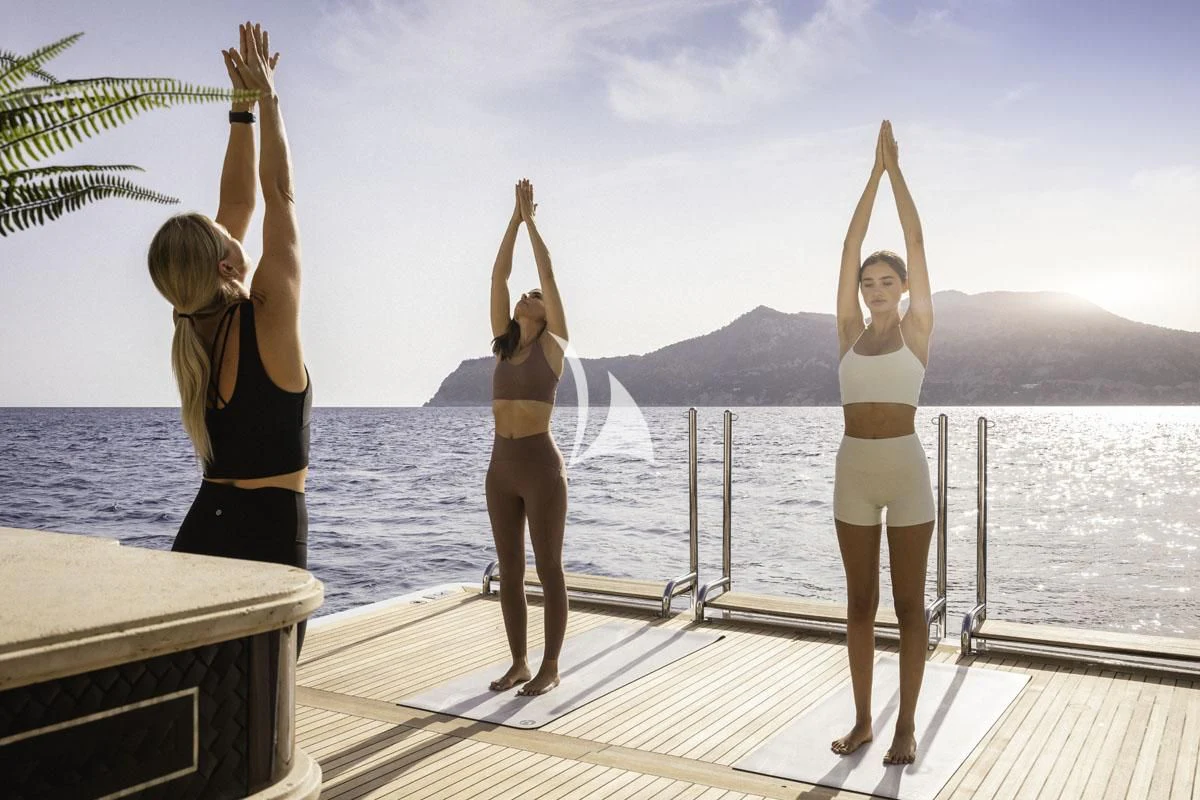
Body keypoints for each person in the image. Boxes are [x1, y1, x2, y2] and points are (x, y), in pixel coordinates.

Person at [147, 22, 312, 655]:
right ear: (224, 266)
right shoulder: (266, 316)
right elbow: (276, 195)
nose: (228, 225)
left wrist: (240, 112)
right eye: (221, 235)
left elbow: (238, 203)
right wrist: (270, 100)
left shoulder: (190, 323)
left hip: (205, 526)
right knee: (262, 727)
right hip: (267, 538)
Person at [831, 120, 935, 765]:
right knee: (860, 605)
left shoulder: (918, 328)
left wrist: (895, 172)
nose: (874, 289)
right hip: (854, 472)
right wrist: (867, 175)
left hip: (906, 470)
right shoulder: (847, 330)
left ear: (903, 289)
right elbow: (847, 248)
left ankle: (907, 727)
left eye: (885, 281)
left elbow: (917, 241)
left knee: (906, 604)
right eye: (868, 283)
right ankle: (866, 720)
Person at [486, 178, 570, 696]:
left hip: (541, 469)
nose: (526, 295)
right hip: (500, 470)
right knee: (510, 570)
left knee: (549, 569)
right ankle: (519, 661)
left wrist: (533, 223)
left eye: (534, 298)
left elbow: (546, 275)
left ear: (545, 314)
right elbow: (499, 274)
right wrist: (512, 220)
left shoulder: (554, 346)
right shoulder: (502, 345)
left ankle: (550, 665)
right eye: (524, 296)